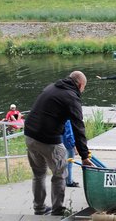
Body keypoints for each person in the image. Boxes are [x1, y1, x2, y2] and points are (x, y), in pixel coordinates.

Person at [24, 71, 93, 216]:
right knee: (60, 174)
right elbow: (78, 127)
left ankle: (39, 208)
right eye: (84, 87)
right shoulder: (71, 97)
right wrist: (84, 156)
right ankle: (57, 210)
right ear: (80, 85)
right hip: (48, 139)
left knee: (39, 174)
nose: (83, 90)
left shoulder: (52, 87)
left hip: (30, 135)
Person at [62, 120, 79, 188]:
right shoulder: (67, 119)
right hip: (68, 143)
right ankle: (69, 181)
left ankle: (65, 180)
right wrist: (74, 145)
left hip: (60, 141)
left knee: (64, 162)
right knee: (69, 162)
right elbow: (69, 133)